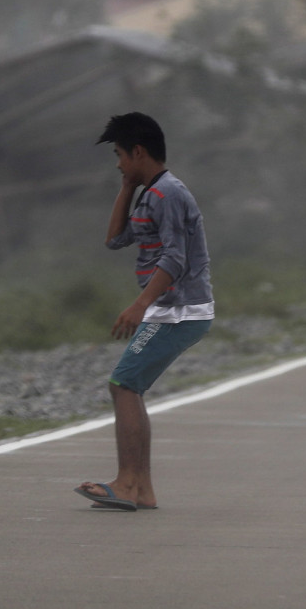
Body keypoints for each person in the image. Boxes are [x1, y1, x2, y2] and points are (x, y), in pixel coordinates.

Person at [76, 112, 213, 511]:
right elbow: (115, 239)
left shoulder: (169, 194)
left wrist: (140, 305)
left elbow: (175, 258)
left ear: (138, 151)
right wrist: (126, 186)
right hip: (169, 309)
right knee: (128, 387)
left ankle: (128, 483)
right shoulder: (149, 193)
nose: (118, 163)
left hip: (179, 310)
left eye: (120, 155)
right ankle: (141, 489)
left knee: (124, 385)